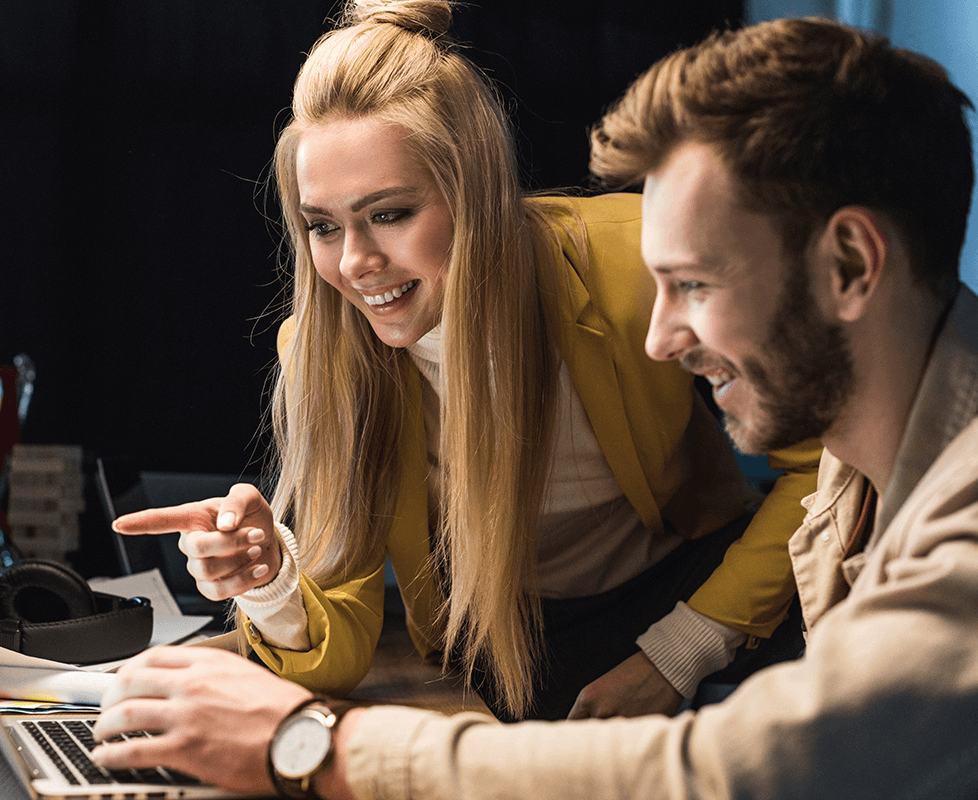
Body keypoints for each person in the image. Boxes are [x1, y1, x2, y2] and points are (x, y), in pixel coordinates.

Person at [92, 12, 978, 799]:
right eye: (322, 225)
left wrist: (312, 746)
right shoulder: (858, 488)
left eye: (694, 284)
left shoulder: (960, 505)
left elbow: (744, 765)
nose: (661, 338)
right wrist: (276, 584)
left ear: (854, 265)